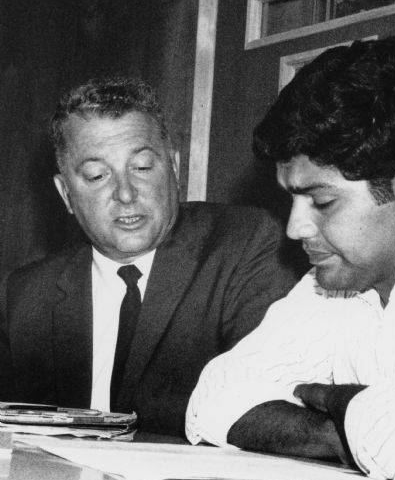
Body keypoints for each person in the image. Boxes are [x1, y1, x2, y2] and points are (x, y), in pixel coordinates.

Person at [186, 36, 395, 480]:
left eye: (322, 201)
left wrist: (323, 398)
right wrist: (345, 417)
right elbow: (212, 399)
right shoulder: (336, 280)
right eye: (293, 199)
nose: (295, 228)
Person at [0, 76, 297, 437]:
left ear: (173, 166)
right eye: (96, 175)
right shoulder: (26, 294)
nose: (125, 193)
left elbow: (265, 402)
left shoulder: (245, 244)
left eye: (142, 167)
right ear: (65, 194)